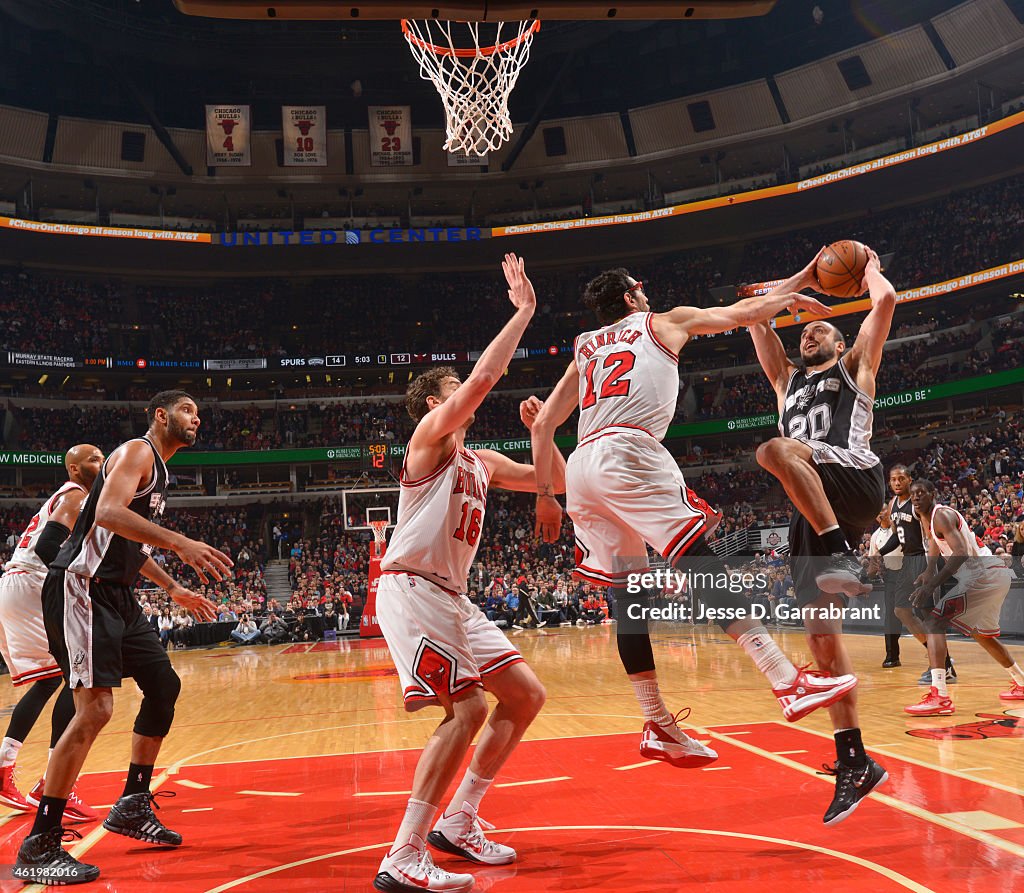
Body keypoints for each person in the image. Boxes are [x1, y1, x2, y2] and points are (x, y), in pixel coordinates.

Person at [530, 262, 856, 785]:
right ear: (635, 295)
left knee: (629, 595)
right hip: (627, 451)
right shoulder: (663, 321)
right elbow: (745, 312)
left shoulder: (585, 344)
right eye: (642, 286)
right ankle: (785, 679)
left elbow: (545, 423)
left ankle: (656, 722)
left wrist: (548, 496)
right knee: (698, 559)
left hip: (583, 467)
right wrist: (794, 288)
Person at [372, 254, 560, 893]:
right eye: (453, 390)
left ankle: (459, 820)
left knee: (526, 694)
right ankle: (403, 852)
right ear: (434, 401)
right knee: (466, 708)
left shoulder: (481, 459)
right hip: (412, 586)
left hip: (453, 597)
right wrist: (525, 312)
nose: (468, 396)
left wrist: (542, 433)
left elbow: (551, 479)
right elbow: (483, 379)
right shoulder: (427, 441)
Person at [14, 391, 229, 886]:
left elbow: (125, 536)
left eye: (198, 412)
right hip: (82, 586)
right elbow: (109, 513)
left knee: (163, 685)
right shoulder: (137, 452)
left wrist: (173, 586)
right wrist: (180, 542)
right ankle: (40, 843)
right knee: (96, 708)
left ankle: (131, 803)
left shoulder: (159, 471)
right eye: (187, 410)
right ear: (161, 415)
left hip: (117, 595)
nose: (196, 418)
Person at [748, 246, 895, 824]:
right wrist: (793, 286)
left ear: (842, 343)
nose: (811, 335)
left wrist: (868, 268)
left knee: (773, 449)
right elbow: (756, 314)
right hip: (813, 507)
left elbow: (882, 301)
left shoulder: (855, 367)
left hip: (854, 484)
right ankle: (855, 759)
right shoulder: (785, 382)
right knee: (820, 636)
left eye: (822, 331)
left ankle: (842, 556)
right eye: (804, 333)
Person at [0, 445, 104, 822]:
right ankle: (53, 783)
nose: (102, 462)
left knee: (49, 681)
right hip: (31, 583)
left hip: (16, 584)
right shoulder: (76, 494)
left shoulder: (72, 496)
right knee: (73, 677)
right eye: (94, 459)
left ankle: (6, 768)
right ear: (74, 468)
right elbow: (47, 547)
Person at [905, 480, 1024, 714]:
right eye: (913, 494)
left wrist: (930, 587)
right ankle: (1021, 682)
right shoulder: (929, 521)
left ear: (933, 494)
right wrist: (927, 573)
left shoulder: (941, 515)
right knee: (981, 635)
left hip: (983, 573)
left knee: (933, 621)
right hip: (995, 573)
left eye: (921, 493)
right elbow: (934, 548)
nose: (916, 498)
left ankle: (940, 696)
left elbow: (959, 553)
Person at [877, 464, 956, 681]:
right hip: (907, 561)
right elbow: (896, 536)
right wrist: (879, 553)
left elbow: (931, 536)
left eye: (901, 479)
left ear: (909, 480)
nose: (896, 483)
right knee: (901, 611)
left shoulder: (917, 504)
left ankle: (944, 666)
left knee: (927, 615)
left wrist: (930, 568)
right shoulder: (893, 503)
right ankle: (937, 657)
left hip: (922, 559)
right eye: (893, 479)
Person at [866, 504, 902, 667]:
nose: (881, 513)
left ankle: (940, 655)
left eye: (884, 510)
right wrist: (863, 578)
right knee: (890, 617)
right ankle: (892, 656)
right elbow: (873, 565)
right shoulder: (874, 537)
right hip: (891, 577)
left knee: (921, 615)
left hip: (910, 572)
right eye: (878, 511)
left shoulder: (901, 528)